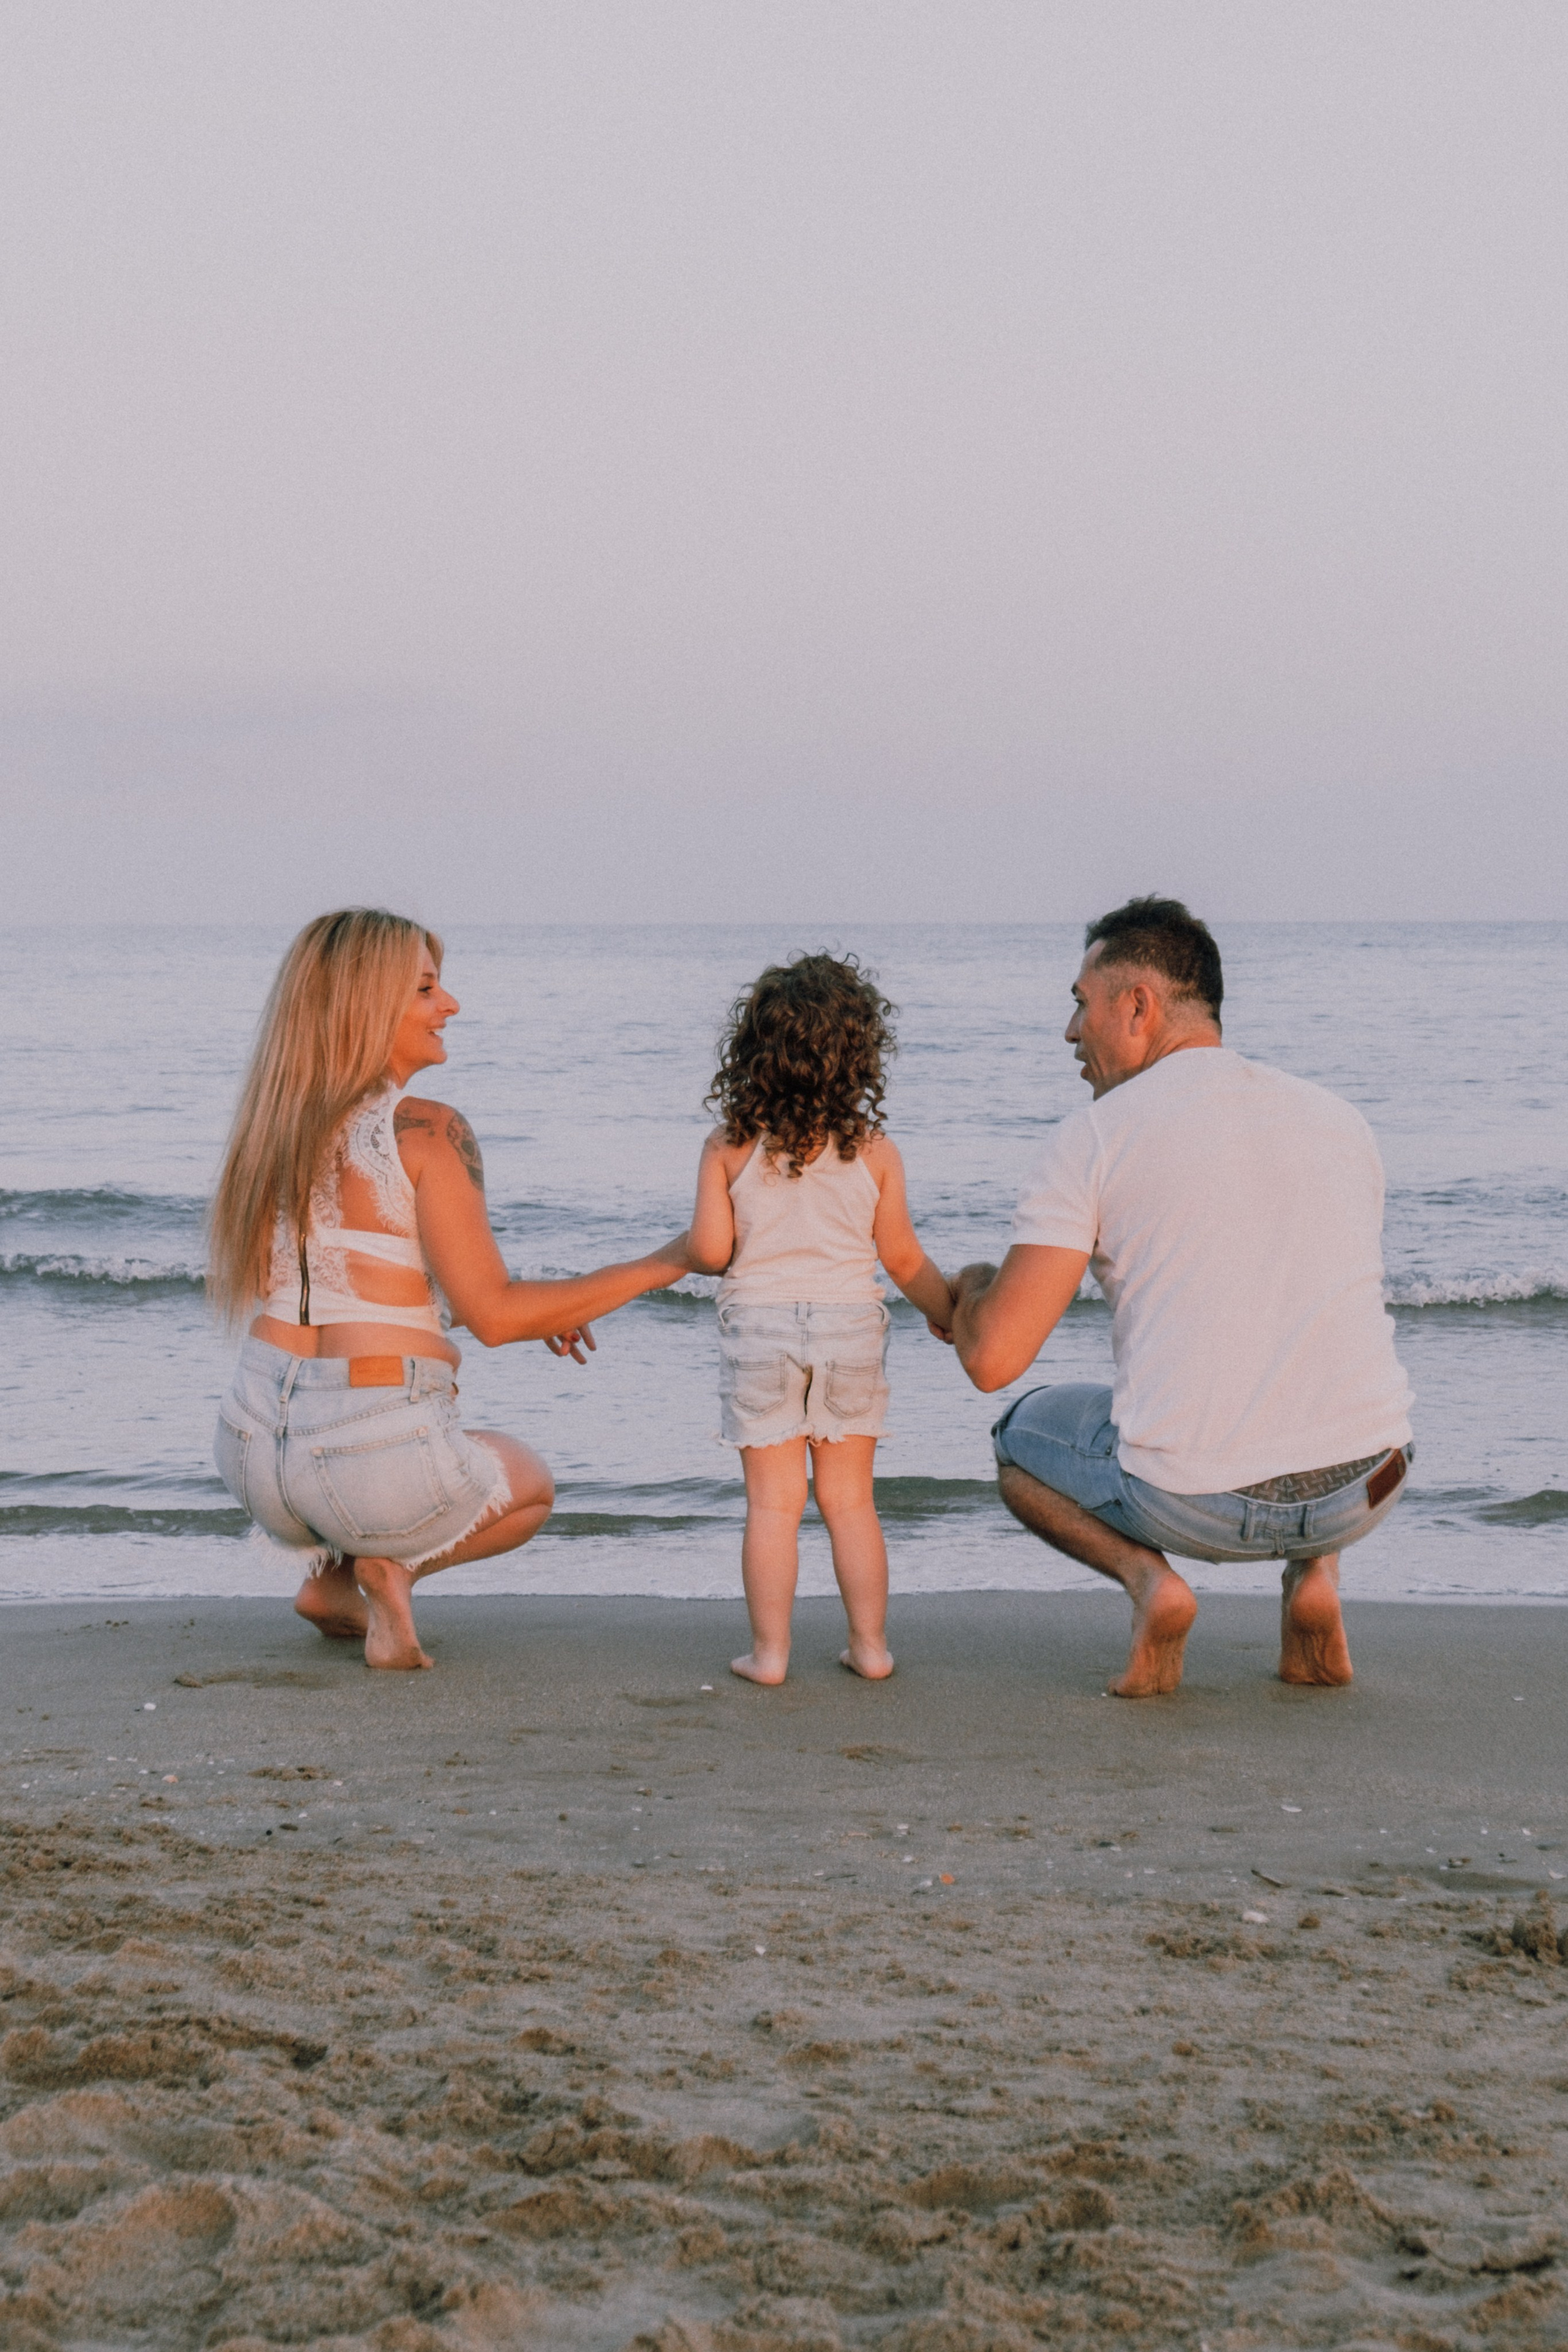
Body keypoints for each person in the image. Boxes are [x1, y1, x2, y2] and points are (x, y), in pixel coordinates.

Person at [944, 897, 1414, 1697]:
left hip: (1194, 1504)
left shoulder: (1095, 1138)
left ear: (1138, 1006)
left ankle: (1151, 1585)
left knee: (1017, 1438)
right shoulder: (1339, 1120)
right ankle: (1315, 1576)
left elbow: (992, 1359)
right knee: (1309, 1336)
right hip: (1369, 1484)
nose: (1069, 1032)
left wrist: (974, 1288)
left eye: (1081, 1004)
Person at [208, 908, 689, 1671]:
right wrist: (674, 1259)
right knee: (530, 1484)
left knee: (355, 1449)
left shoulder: (270, 1130)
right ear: (367, 1005)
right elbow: (492, 1316)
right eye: (427, 989)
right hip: (369, 1457)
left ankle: (330, 1581)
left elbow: (353, 1295)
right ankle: (384, 1573)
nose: (451, 1005)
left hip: (251, 1450)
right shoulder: (427, 1130)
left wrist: (544, 1309)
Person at [682, 953, 955, 1686]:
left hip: (760, 1329)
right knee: (850, 1501)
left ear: (753, 1052)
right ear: (858, 1055)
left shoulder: (728, 1145)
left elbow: (708, 1251)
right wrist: (949, 1314)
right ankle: (870, 1647)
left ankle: (770, 1656)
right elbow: (903, 1259)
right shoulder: (875, 1152)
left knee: (773, 1506)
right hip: (849, 1328)